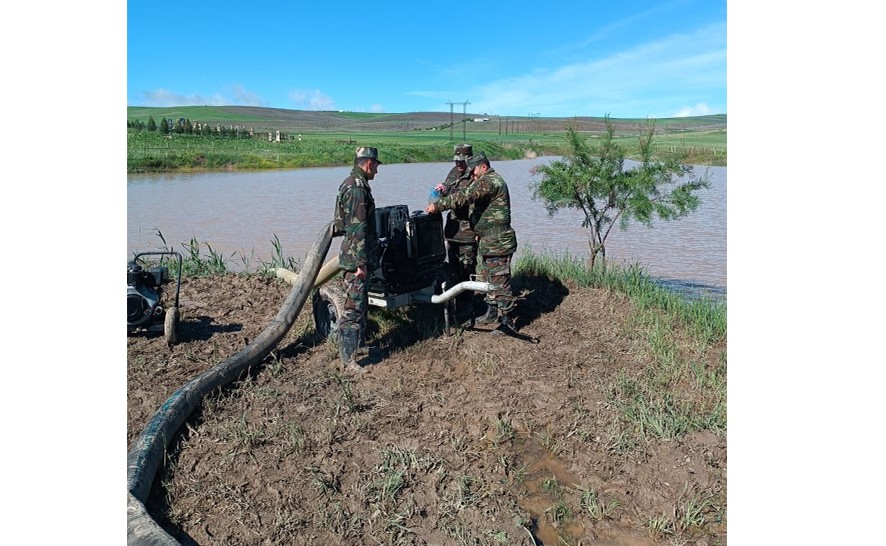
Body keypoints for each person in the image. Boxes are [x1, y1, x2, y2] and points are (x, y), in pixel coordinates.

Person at [426, 151, 518, 334]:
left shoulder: (489, 181)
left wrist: (437, 205)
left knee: (500, 282)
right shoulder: (489, 180)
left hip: (497, 241)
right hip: (490, 240)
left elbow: (464, 196)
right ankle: (492, 312)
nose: (473, 175)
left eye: (474, 170)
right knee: (489, 278)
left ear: (483, 166)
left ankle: (510, 322)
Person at [332, 146, 382, 371]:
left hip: (356, 256)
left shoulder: (352, 183)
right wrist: (360, 264)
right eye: (376, 167)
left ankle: (359, 346)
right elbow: (357, 229)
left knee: (360, 306)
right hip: (356, 260)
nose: (377, 172)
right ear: (369, 163)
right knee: (353, 309)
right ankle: (348, 359)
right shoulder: (357, 188)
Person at [432, 144, 477, 318]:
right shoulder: (453, 172)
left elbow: (463, 200)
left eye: (461, 161)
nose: (458, 164)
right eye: (456, 160)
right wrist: (442, 189)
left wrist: (441, 203)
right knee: (453, 270)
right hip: (452, 232)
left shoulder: (475, 176)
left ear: (469, 160)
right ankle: (455, 305)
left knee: (467, 270)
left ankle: (466, 308)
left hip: (467, 233)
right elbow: (448, 190)